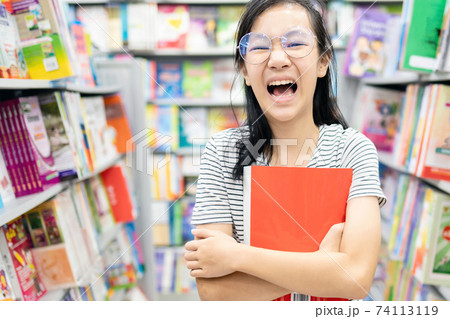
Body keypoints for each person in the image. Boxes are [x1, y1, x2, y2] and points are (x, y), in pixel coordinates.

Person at [184, 0, 386, 301]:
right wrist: (323, 267)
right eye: (259, 47)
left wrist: (236, 257)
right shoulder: (222, 152)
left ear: (322, 62)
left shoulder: (352, 150)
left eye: (295, 43)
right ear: (244, 70)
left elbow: (356, 278)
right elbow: (213, 292)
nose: (278, 59)